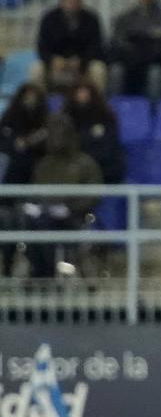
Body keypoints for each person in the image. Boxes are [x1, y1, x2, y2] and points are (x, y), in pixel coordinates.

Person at [27, 115, 102, 278]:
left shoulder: (85, 163)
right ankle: (41, 272)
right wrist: (35, 206)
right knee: (30, 223)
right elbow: (34, 192)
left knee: (44, 227)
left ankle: (46, 273)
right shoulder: (44, 164)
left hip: (75, 217)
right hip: (45, 215)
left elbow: (93, 194)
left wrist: (70, 208)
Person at [33, 0, 107, 94]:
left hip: (83, 66)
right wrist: (52, 60)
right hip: (55, 65)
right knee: (36, 69)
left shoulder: (91, 19)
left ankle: (97, 107)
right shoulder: (49, 19)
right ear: (62, 0)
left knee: (98, 69)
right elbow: (41, 46)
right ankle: (40, 107)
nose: (73, 2)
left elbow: (97, 47)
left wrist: (82, 60)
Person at [109, 0, 161, 101]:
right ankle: (114, 111)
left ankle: (153, 116)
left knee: (156, 74)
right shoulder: (125, 18)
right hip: (129, 62)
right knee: (116, 71)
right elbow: (117, 43)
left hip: (153, 63)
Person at [64, 81, 126, 185]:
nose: (82, 96)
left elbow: (109, 146)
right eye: (79, 92)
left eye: (85, 92)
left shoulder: (106, 117)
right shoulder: (65, 117)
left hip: (104, 169)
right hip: (73, 170)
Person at [0, 83, 50, 185]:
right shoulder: (11, 114)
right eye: (27, 97)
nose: (30, 100)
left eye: (33, 97)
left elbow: (47, 136)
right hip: (14, 156)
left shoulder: (45, 116)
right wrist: (16, 141)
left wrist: (30, 141)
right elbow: (4, 135)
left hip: (37, 156)